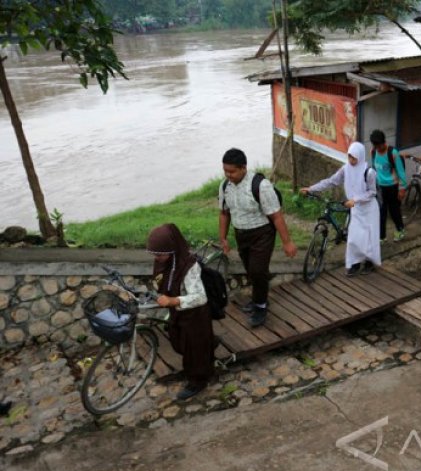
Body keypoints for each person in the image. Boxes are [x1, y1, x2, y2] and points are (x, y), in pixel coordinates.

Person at [218, 148, 297, 327]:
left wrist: (287, 242)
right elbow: (224, 213)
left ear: (243, 168)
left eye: (232, 171)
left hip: (262, 234)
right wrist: (222, 237)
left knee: (257, 270)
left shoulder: (261, 186)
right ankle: (259, 297)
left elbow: (276, 215)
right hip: (241, 234)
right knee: (250, 269)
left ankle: (260, 307)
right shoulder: (225, 186)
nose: (228, 175)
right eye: (225, 171)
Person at [147, 223, 215, 400]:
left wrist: (172, 300)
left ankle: (197, 382)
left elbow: (200, 297)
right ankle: (210, 345)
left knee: (194, 349)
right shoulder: (164, 262)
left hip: (195, 315)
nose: (157, 257)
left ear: (171, 251)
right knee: (179, 343)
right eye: (154, 254)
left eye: (160, 254)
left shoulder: (189, 266)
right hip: (179, 312)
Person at [301, 142, 381, 276]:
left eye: (354, 157)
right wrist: (311, 188)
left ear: (360, 156)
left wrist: (355, 200)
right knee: (354, 238)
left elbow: (372, 193)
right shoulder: (346, 169)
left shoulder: (369, 172)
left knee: (368, 238)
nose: (351, 160)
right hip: (355, 209)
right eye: (349, 156)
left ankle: (369, 263)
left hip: (369, 209)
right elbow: (331, 181)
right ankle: (354, 264)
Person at [369, 130, 406, 242]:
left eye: (379, 145)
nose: (377, 148)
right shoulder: (374, 152)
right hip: (380, 187)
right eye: (375, 145)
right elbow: (374, 168)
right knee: (381, 212)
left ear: (383, 142)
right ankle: (382, 236)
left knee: (394, 211)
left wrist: (402, 188)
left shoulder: (393, 153)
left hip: (392, 187)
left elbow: (401, 172)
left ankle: (400, 230)